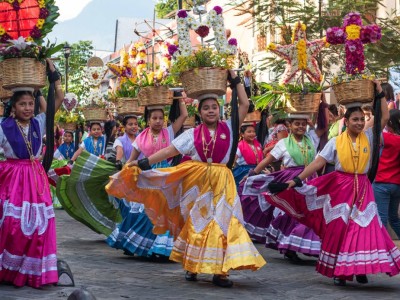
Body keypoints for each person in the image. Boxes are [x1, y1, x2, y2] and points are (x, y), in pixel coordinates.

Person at [106, 71, 266, 288]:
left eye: (214, 107)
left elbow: (245, 103)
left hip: (224, 182)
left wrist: (235, 81)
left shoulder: (229, 127)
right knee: (198, 223)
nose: (211, 110)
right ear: (199, 113)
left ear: (219, 110)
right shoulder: (192, 134)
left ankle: (221, 271)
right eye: (206, 108)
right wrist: (144, 164)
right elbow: (169, 151)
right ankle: (192, 265)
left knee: (224, 223)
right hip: (198, 182)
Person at [266, 81, 400, 286]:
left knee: (365, 228)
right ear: (346, 121)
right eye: (355, 119)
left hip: (363, 189)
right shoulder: (335, 142)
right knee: (341, 229)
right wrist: (296, 180)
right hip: (341, 189)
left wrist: (380, 93)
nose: (359, 123)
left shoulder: (370, 137)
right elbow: (318, 162)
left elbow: (383, 116)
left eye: (362, 120)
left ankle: (359, 267)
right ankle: (342, 271)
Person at [0, 59, 64, 287]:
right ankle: (10, 269)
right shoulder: (3, 126)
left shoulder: (39, 122)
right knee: (11, 224)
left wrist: (52, 74)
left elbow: (59, 99)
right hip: (12, 179)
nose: (27, 108)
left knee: (40, 224)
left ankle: (32, 270)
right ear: (13, 107)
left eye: (30, 104)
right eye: (22, 104)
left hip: (35, 178)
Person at [241, 111, 328, 260]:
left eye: (303, 124)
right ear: (289, 125)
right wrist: (252, 173)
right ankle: (290, 246)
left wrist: (321, 103)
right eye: (296, 124)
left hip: (310, 180)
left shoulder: (311, 138)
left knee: (312, 213)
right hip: (291, 182)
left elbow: (324, 126)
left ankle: (305, 244)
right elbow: (268, 160)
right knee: (291, 215)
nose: (300, 127)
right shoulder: (283, 144)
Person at [372, 109, 400, 239]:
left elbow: (371, 132)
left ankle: (382, 249)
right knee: (393, 218)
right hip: (397, 185)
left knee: (381, 218)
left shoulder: (387, 137)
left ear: (390, 123)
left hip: (382, 183)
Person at [232, 123, 264, 189]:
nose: (252, 134)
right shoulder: (240, 146)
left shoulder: (258, 144)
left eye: (254, 131)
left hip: (257, 170)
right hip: (244, 172)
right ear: (242, 134)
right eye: (249, 132)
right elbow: (233, 160)